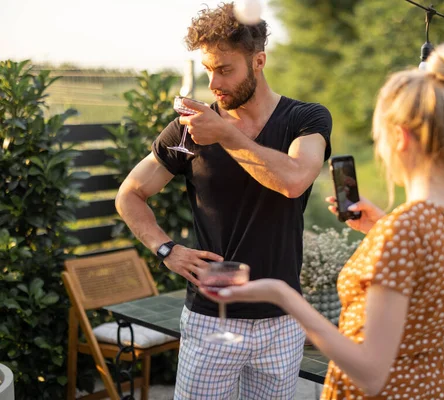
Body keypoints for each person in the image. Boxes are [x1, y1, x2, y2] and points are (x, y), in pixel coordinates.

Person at [201, 42, 444, 399]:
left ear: (400, 138)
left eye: (380, 139)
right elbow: (430, 281)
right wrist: (381, 228)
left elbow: (371, 374)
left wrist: (285, 296)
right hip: (431, 386)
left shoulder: (405, 231)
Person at [115, 3, 332, 399]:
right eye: (207, 69)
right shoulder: (187, 131)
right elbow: (130, 194)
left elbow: (296, 180)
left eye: (225, 69)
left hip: (281, 322)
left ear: (259, 61)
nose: (213, 82)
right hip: (209, 321)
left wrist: (226, 135)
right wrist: (166, 249)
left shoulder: (306, 118)